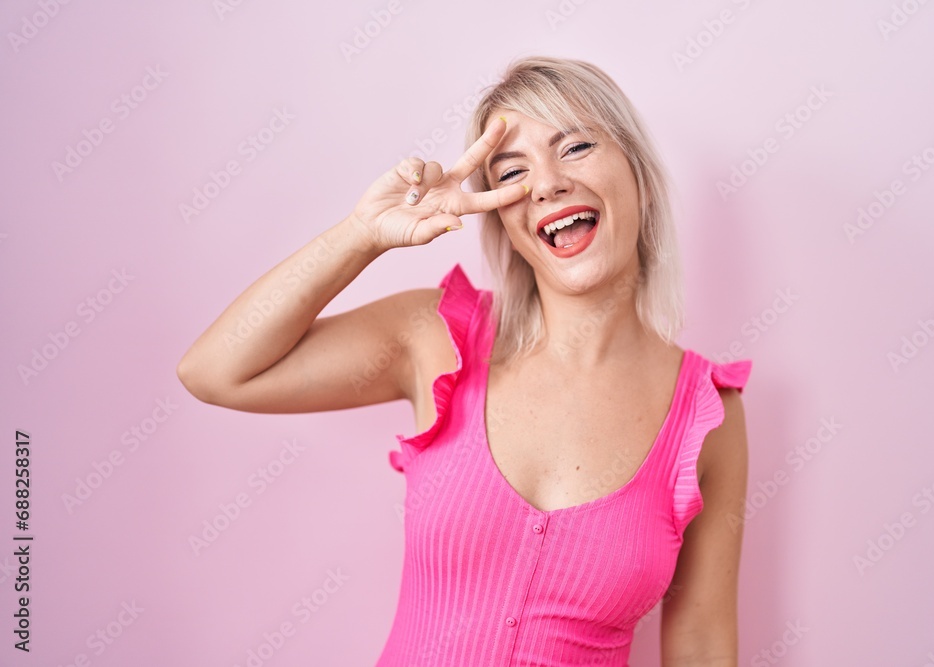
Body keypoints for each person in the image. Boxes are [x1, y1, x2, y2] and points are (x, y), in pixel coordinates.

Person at [177, 55, 751, 666]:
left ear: (636, 169)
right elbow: (216, 371)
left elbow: (700, 642)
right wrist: (364, 232)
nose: (548, 183)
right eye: (512, 172)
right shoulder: (435, 338)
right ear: (503, 217)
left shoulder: (708, 415)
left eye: (576, 146)